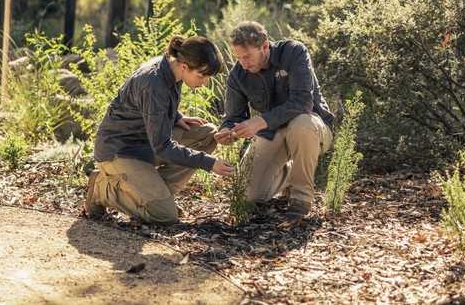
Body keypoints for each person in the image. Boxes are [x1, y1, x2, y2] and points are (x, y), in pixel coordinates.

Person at [84, 35, 234, 223]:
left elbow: (149, 107)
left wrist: (177, 117)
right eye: (202, 76)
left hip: (145, 142)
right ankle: (101, 189)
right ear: (184, 66)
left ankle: (156, 195)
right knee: (165, 215)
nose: (204, 83)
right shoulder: (153, 81)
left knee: (207, 135)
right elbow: (162, 146)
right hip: (119, 151)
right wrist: (209, 163)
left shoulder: (172, 68)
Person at [214, 21, 334, 224]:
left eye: (247, 56)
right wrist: (227, 131)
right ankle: (288, 174)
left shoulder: (294, 52)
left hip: (311, 126)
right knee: (247, 195)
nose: (243, 63)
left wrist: (260, 121)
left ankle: (301, 199)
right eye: (239, 57)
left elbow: (302, 102)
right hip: (273, 133)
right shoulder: (238, 75)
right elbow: (233, 116)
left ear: (265, 46)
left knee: (301, 124)